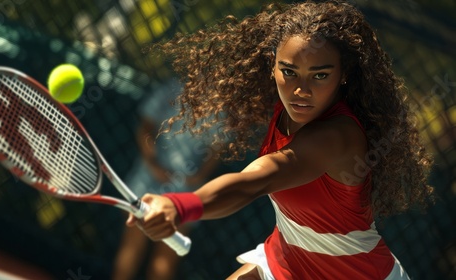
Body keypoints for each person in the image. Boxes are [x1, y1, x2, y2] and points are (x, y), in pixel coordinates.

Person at [126, 1, 435, 279]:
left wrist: (180, 206)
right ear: (272, 64)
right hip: (285, 261)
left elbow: (255, 181)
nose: (301, 90)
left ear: (343, 75)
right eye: (289, 71)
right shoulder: (284, 108)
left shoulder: (337, 136)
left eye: (320, 75)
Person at [112, 79, 222, 280]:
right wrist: (153, 163)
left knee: (164, 259)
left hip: (187, 190)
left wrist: (198, 176)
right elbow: (145, 127)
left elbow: (217, 150)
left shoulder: (221, 103)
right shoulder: (170, 88)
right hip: (150, 180)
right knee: (133, 244)